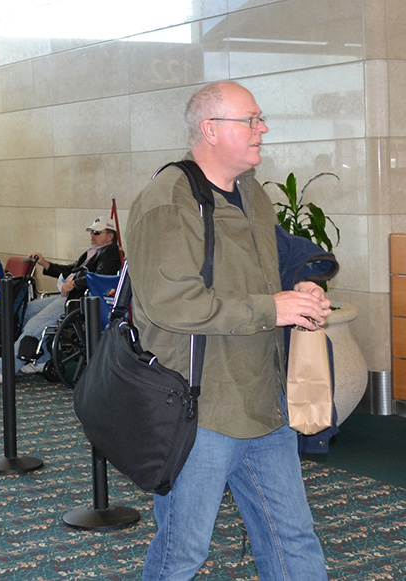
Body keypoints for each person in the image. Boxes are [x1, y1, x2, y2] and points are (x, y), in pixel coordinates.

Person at [125, 81, 331, 579]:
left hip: (262, 404)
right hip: (201, 412)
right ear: (210, 130)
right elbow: (171, 303)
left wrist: (305, 282)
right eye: (251, 120)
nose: (263, 129)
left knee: (292, 542)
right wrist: (272, 308)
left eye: (260, 119)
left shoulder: (250, 194)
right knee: (182, 553)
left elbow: (292, 253)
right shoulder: (169, 201)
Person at [0, 216, 122, 384]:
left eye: (97, 232)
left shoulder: (111, 253)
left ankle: (2, 369)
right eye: (91, 232)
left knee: (36, 323)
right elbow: (69, 270)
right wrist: (44, 263)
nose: (92, 235)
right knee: (23, 311)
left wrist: (75, 284)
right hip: (66, 296)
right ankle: (42, 360)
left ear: (110, 236)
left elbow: (102, 277)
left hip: (79, 300)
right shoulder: (92, 252)